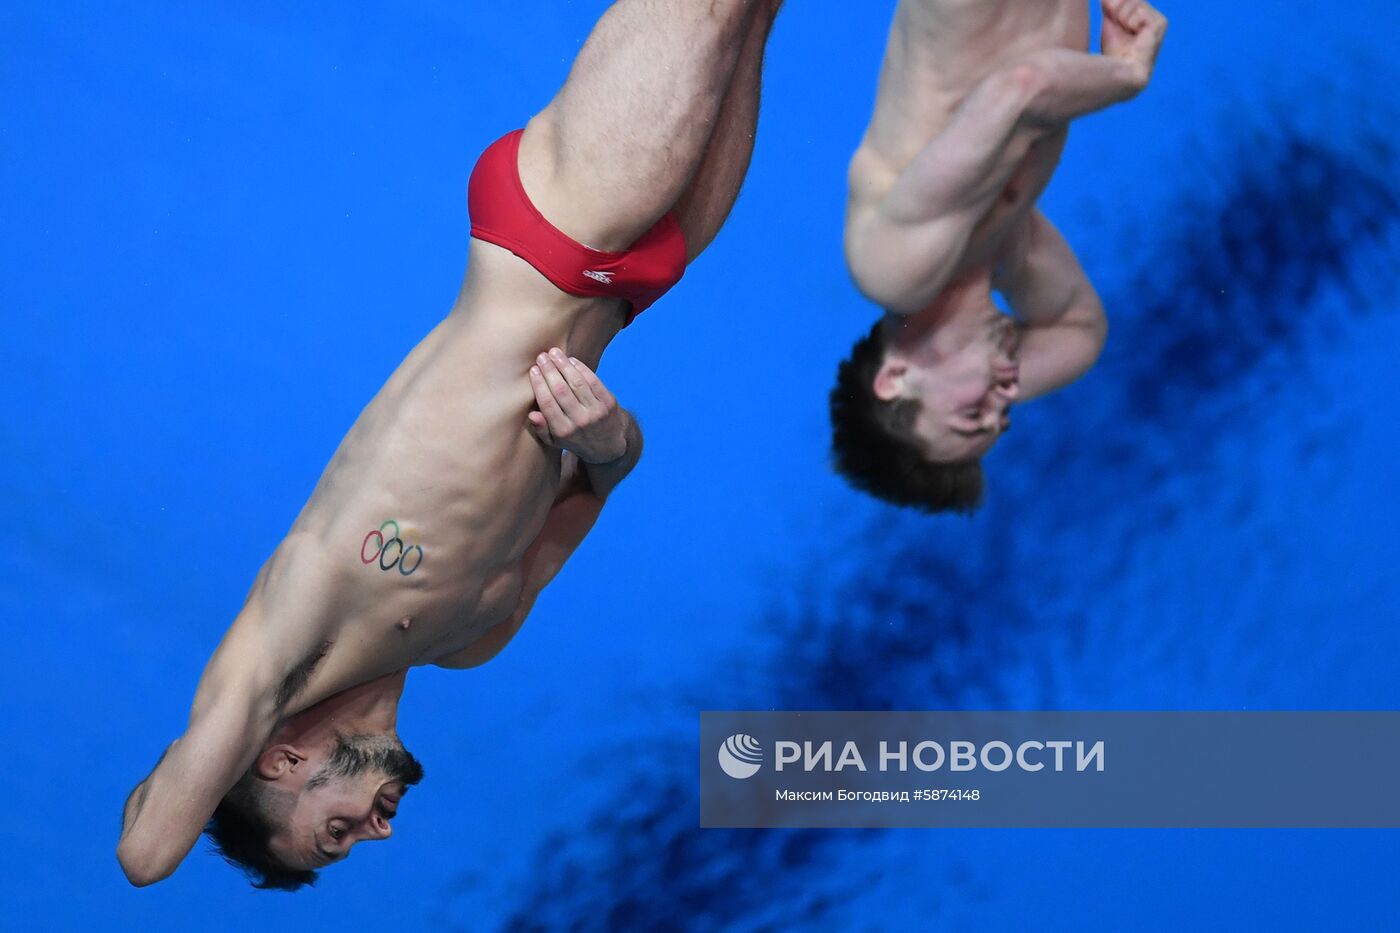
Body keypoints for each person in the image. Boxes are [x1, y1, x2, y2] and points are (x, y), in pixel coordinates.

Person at [117, 0, 783, 890]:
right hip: (638, 285)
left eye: (331, 836)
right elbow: (605, 479)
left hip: (558, 226)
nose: (372, 834)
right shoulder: (475, 636)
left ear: (278, 764)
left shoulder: (295, 638)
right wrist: (606, 436)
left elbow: (144, 853)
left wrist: (224, 742)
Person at [831, 0, 1168, 512]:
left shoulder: (891, 272)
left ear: (895, 379)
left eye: (971, 415)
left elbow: (1020, 87)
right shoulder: (1008, 249)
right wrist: (988, 382)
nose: (1005, 401)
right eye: (1002, 418)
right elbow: (1082, 336)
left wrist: (1124, 76)